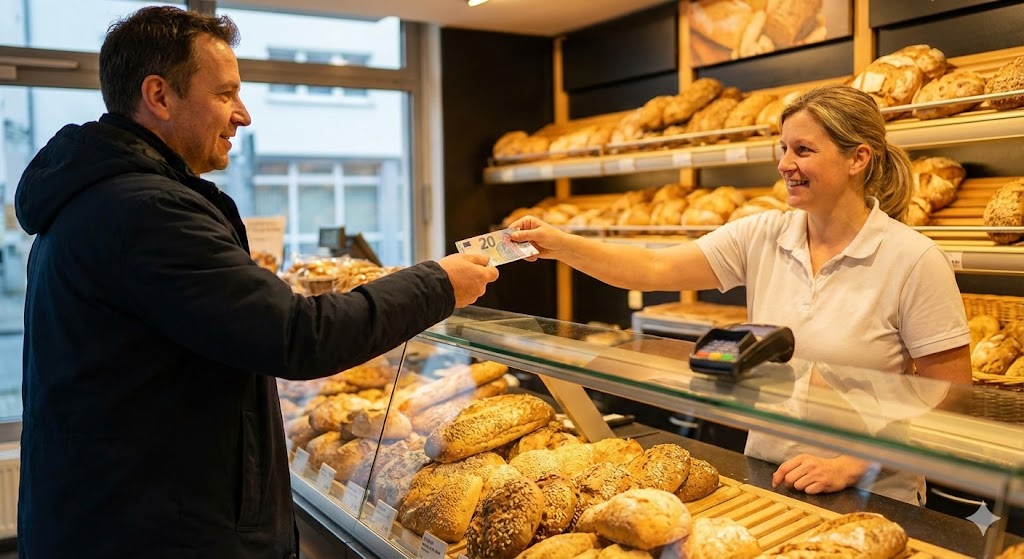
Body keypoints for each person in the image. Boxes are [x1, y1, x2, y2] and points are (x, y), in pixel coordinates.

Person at [14, 6, 497, 558]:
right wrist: (438, 282)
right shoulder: (144, 210)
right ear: (159, 95)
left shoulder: (97, 199)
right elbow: (297, 336)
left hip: (122, 516)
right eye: (225, 94)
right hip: (156, 532)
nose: (242, 115)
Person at [510, 84, 971, 504]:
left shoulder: (912, 259)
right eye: (784, 148)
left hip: (876, 494)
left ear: (858, 159)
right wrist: (561, 244)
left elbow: (948, 394)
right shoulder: (764, 234)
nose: (785, 164)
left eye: (803, 150)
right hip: (770, 475)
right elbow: (653, 267)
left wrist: (854, 464)